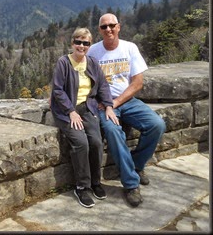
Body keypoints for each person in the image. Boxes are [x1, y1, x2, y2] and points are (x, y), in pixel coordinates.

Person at [87, 13, 166, 207]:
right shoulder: (93, 52)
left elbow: (138, 83)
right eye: (104, 27)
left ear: (119, 27)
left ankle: (136, 165)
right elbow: (84, 81)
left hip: (127, 101)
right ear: (99, 30)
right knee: (113, 132)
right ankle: (131, 184)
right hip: (104, 105)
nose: (108, 30)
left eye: (112, 25)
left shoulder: (130, 48)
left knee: (157, 125)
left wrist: (116, 102)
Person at [50, 27, 119, 208]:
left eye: (86, 43)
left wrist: (109, 106)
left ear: (89, 45)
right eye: (78, 42)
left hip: (88, 108)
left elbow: (103, 85)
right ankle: (82, 187)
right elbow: (57, 90)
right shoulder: (63, 63)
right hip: (67, 111)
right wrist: (70, 111)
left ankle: (96, 182)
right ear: (72, 43)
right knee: (81, 143)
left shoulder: (93, 63)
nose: (81, 46)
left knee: (96, 142)